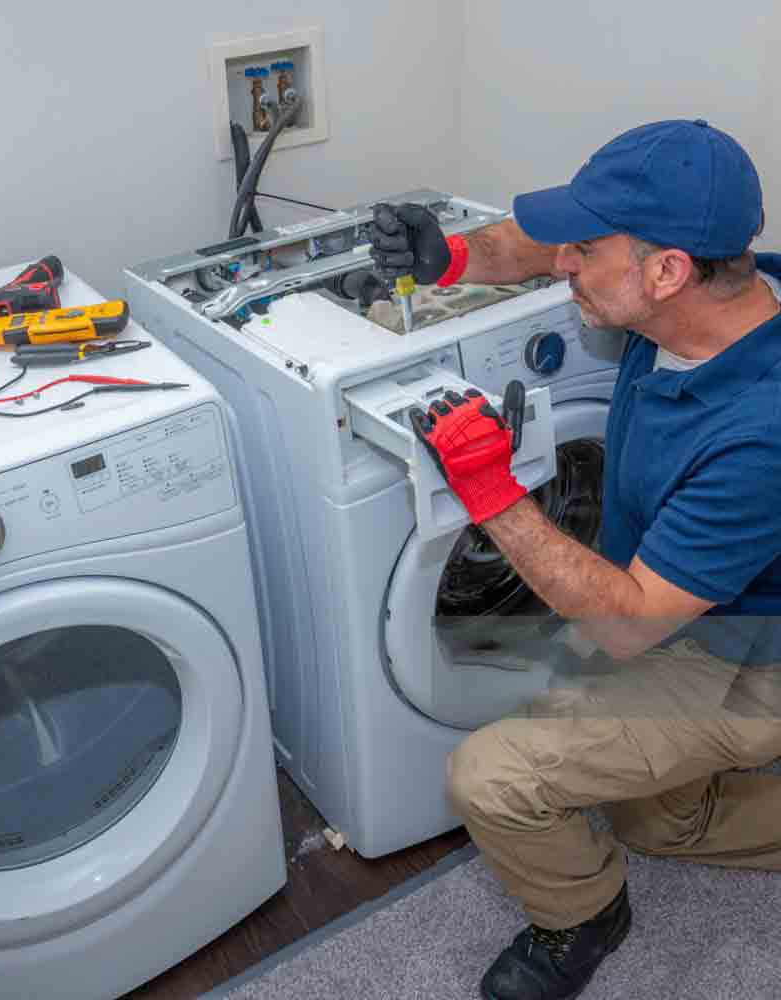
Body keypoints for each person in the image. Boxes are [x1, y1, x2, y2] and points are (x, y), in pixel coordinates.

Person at [370, 119, 781, 1000]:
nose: (562, 264)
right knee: (657, 823)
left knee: (493, 777)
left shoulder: (762, 433)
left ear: (667, 272)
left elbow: (628, 628)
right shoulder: (728, 285)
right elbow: (538, 243)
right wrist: (452, 257)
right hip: (693, 597)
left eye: (584, 252)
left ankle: (584, 916)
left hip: (748, 653)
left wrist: (490, 491)